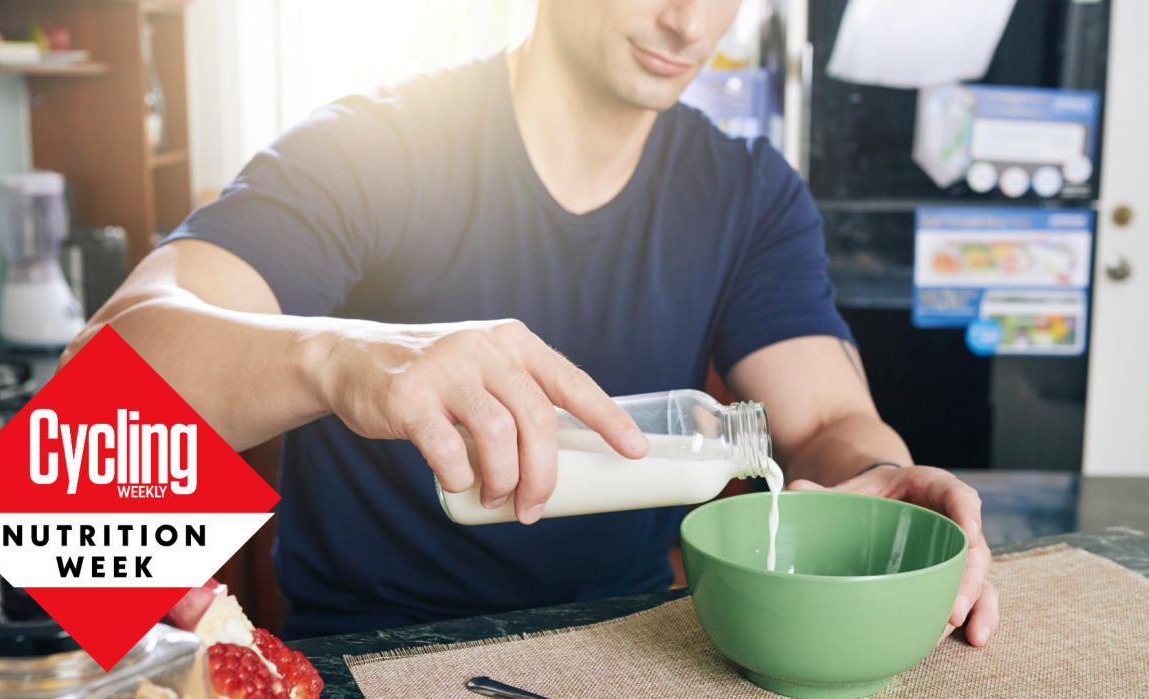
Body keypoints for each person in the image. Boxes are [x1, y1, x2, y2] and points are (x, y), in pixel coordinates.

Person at [65, 0, 997, 642]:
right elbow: (88, 394)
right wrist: (345, 360)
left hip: (630, 651)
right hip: (375, 654)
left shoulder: (747, 195)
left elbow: (827, 424)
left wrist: (881, 474)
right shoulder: (375, 149)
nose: (689, 21)